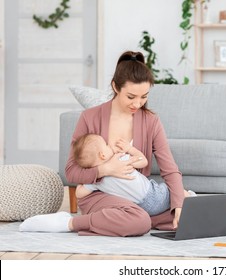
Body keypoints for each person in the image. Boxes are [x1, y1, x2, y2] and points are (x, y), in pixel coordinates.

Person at [19, 51, 188, 236]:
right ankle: (70, 223)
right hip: (100, 195)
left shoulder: (151, 121)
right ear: (116, 87)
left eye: (144, 97)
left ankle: (147, 218)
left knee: (188, 207)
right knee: (138, 221)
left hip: (137, 196)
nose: (138, 104)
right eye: (131, 97)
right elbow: (71, 172)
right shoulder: (90, 117)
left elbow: (169, 168)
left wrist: (178, 205)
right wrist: (106, 170)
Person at [72, 133, 195, 216]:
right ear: (102, 155)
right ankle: (192, 199)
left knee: (170, 204)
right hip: (153, 194)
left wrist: (84, 182)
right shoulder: (120, 160)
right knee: (177, 191)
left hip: (142, 208)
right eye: (106, 145)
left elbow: (79, 193)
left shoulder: (97, 181)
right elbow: (143, 161)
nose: (110, 146)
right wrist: (129, 149)